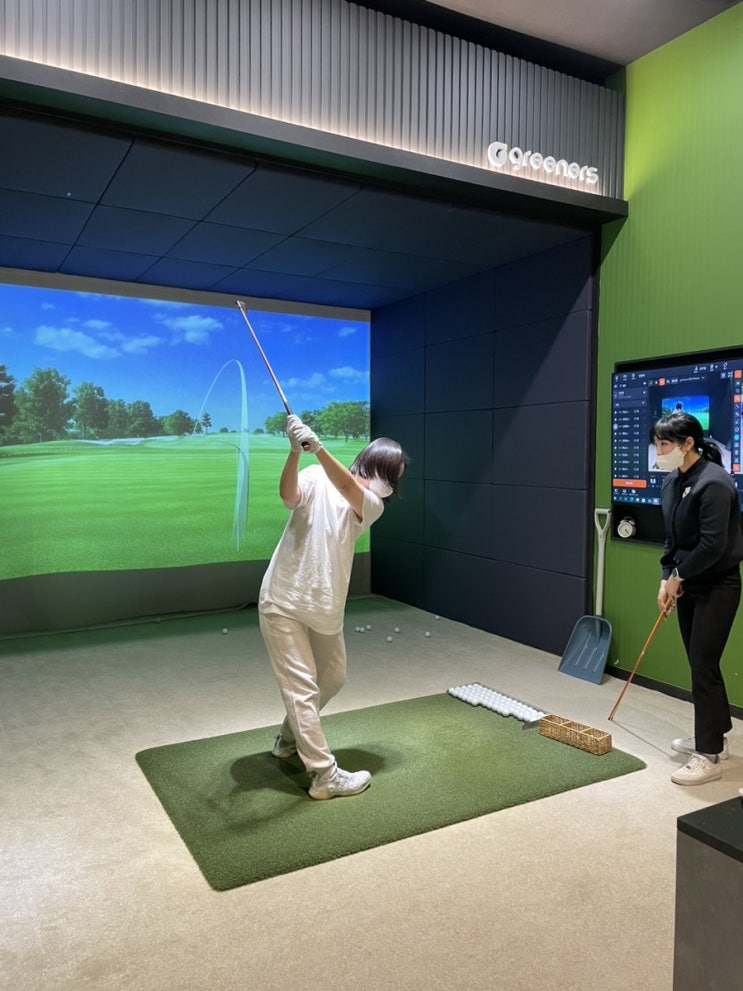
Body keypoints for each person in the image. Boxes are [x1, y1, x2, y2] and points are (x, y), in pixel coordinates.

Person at [258, 414, 409, 800]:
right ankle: (325, 776)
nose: (391, 487)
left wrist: (319, 447)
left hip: (325, 607)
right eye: (391, 476)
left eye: (395, 482)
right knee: (302, 688)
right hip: (284, 598)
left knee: (334, 678)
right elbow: (288, 497)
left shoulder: (371, 504)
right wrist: (295, 452)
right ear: (373, 464)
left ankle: (288, 738)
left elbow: (345, 485)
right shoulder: (314, 474)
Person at [651, 411, 743, 785]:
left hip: (718, 585)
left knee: (703, 664)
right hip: (688, 582)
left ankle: (708, 756)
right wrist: (665, 578)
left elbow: (712, 545)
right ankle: (714, 734)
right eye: (656, 444)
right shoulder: (672, 481)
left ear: (688, 443)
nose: (659, 451)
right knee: (699, 662)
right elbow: (672, 538)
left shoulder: (715, 482)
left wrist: (679, 576)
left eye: (665, 444)